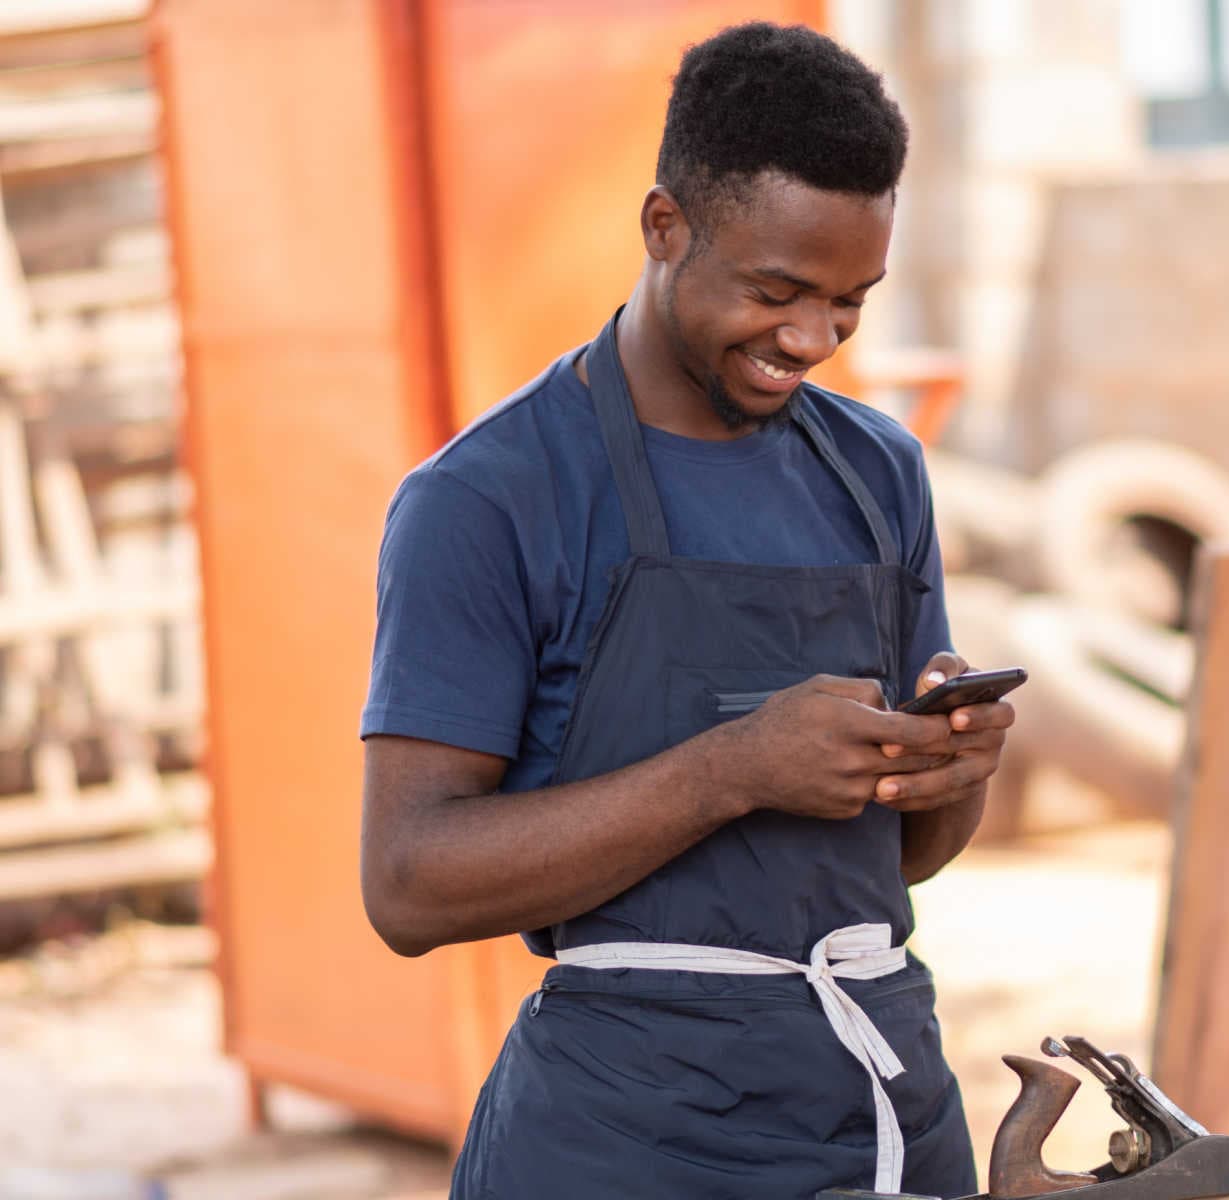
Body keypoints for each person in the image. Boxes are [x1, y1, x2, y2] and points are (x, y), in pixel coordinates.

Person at [358, 21, 1013, 1200]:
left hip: (879, 1110)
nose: (811, 341)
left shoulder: (878, 476)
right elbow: (407, 884)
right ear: (666, 228)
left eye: (850, 303)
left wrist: (950, 776)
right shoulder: (487, 500)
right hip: (626, 1135)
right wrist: (735, 769)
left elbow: (895, 865)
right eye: (776, 292)